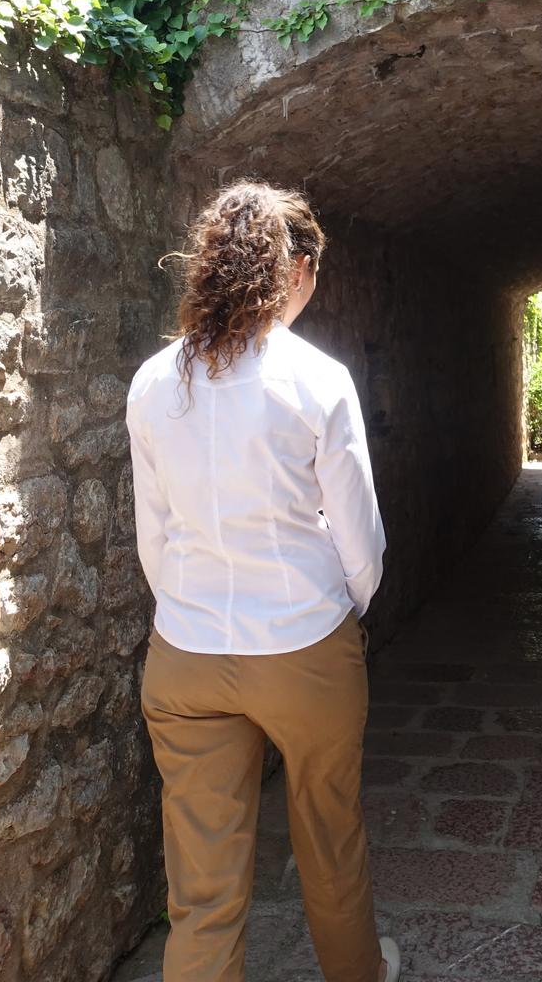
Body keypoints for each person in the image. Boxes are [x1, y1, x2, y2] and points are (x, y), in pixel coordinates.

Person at [125, 179, 399, 982]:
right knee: (329, 834)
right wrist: (342, 610)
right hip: (304, 645)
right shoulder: (317, 379)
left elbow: (154, 532)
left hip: (185, 653)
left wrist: (187, 608)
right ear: (299, 270)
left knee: (200, 882)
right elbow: (360, 539)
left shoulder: (152, 382)